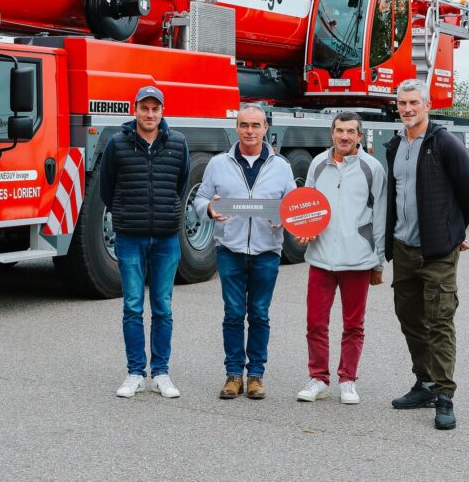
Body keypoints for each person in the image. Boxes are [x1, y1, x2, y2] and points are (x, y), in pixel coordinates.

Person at [385, 79, 469, 430]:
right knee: (409, 317)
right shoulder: (395, 146)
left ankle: (444, 396)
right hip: (403, 247)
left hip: (437, 252)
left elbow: (468, 194)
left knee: (439, 321)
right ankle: (424, 383)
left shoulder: (445, 144)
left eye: (414, 102)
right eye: (402, 103)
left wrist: (455, 232)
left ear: (427, 105)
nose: (408, 109)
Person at [193, 104, 296, 400]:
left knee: (260, 314)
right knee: (234, 314)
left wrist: (283, 217)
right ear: (236, 127)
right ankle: (233, 375)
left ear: (266, 128)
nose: (250, 131)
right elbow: (200, 199)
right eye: (244, 125)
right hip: (230, 250)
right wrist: (210, 209)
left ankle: (256, 376)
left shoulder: (281, 167)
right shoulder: (218, 164)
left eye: (255, 125)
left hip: (267, 251)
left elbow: (293, 205)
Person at [98, 85, 191, 399]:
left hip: (166, 239)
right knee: (132, 306)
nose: (150, 114)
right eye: (144, 108)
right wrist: (127, 212)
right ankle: (135, 373)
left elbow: (181, 184)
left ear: (162, 111)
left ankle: (161, 373)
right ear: (134, 110)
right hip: (130, 237)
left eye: (155, 108)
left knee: (163, 308)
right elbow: (106, 188)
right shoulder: (117, 143)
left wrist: (165, 212)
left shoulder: (178, 143)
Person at [295, 112, 387, 405]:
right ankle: (318, 379)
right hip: (321, 259)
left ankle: (348, 380)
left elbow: (380, 217)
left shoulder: (372, 168)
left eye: (350, 131)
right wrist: (304, 231)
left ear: (359, 136)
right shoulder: (317, 164)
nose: (344, 136)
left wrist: (378, 262)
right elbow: (307, 205)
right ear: (331, 133)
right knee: (315, 323)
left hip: (357, 261)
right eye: (339, 130)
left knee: (353, 326)